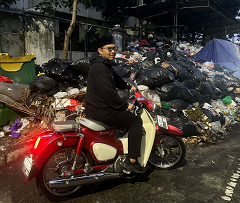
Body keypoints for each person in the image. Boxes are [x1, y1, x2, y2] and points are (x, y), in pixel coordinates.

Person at [85, 36, 146, 173]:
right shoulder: (100, 67)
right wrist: (125, 105)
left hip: (97, 108)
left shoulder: (104, 65)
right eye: (109, 49)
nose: (113, 51)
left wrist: (128, 86)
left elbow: (116, 79)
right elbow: (109, 94)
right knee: (135, 121)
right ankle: (132, 161)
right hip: (101, 111)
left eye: (114, 48)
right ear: (100, 51)